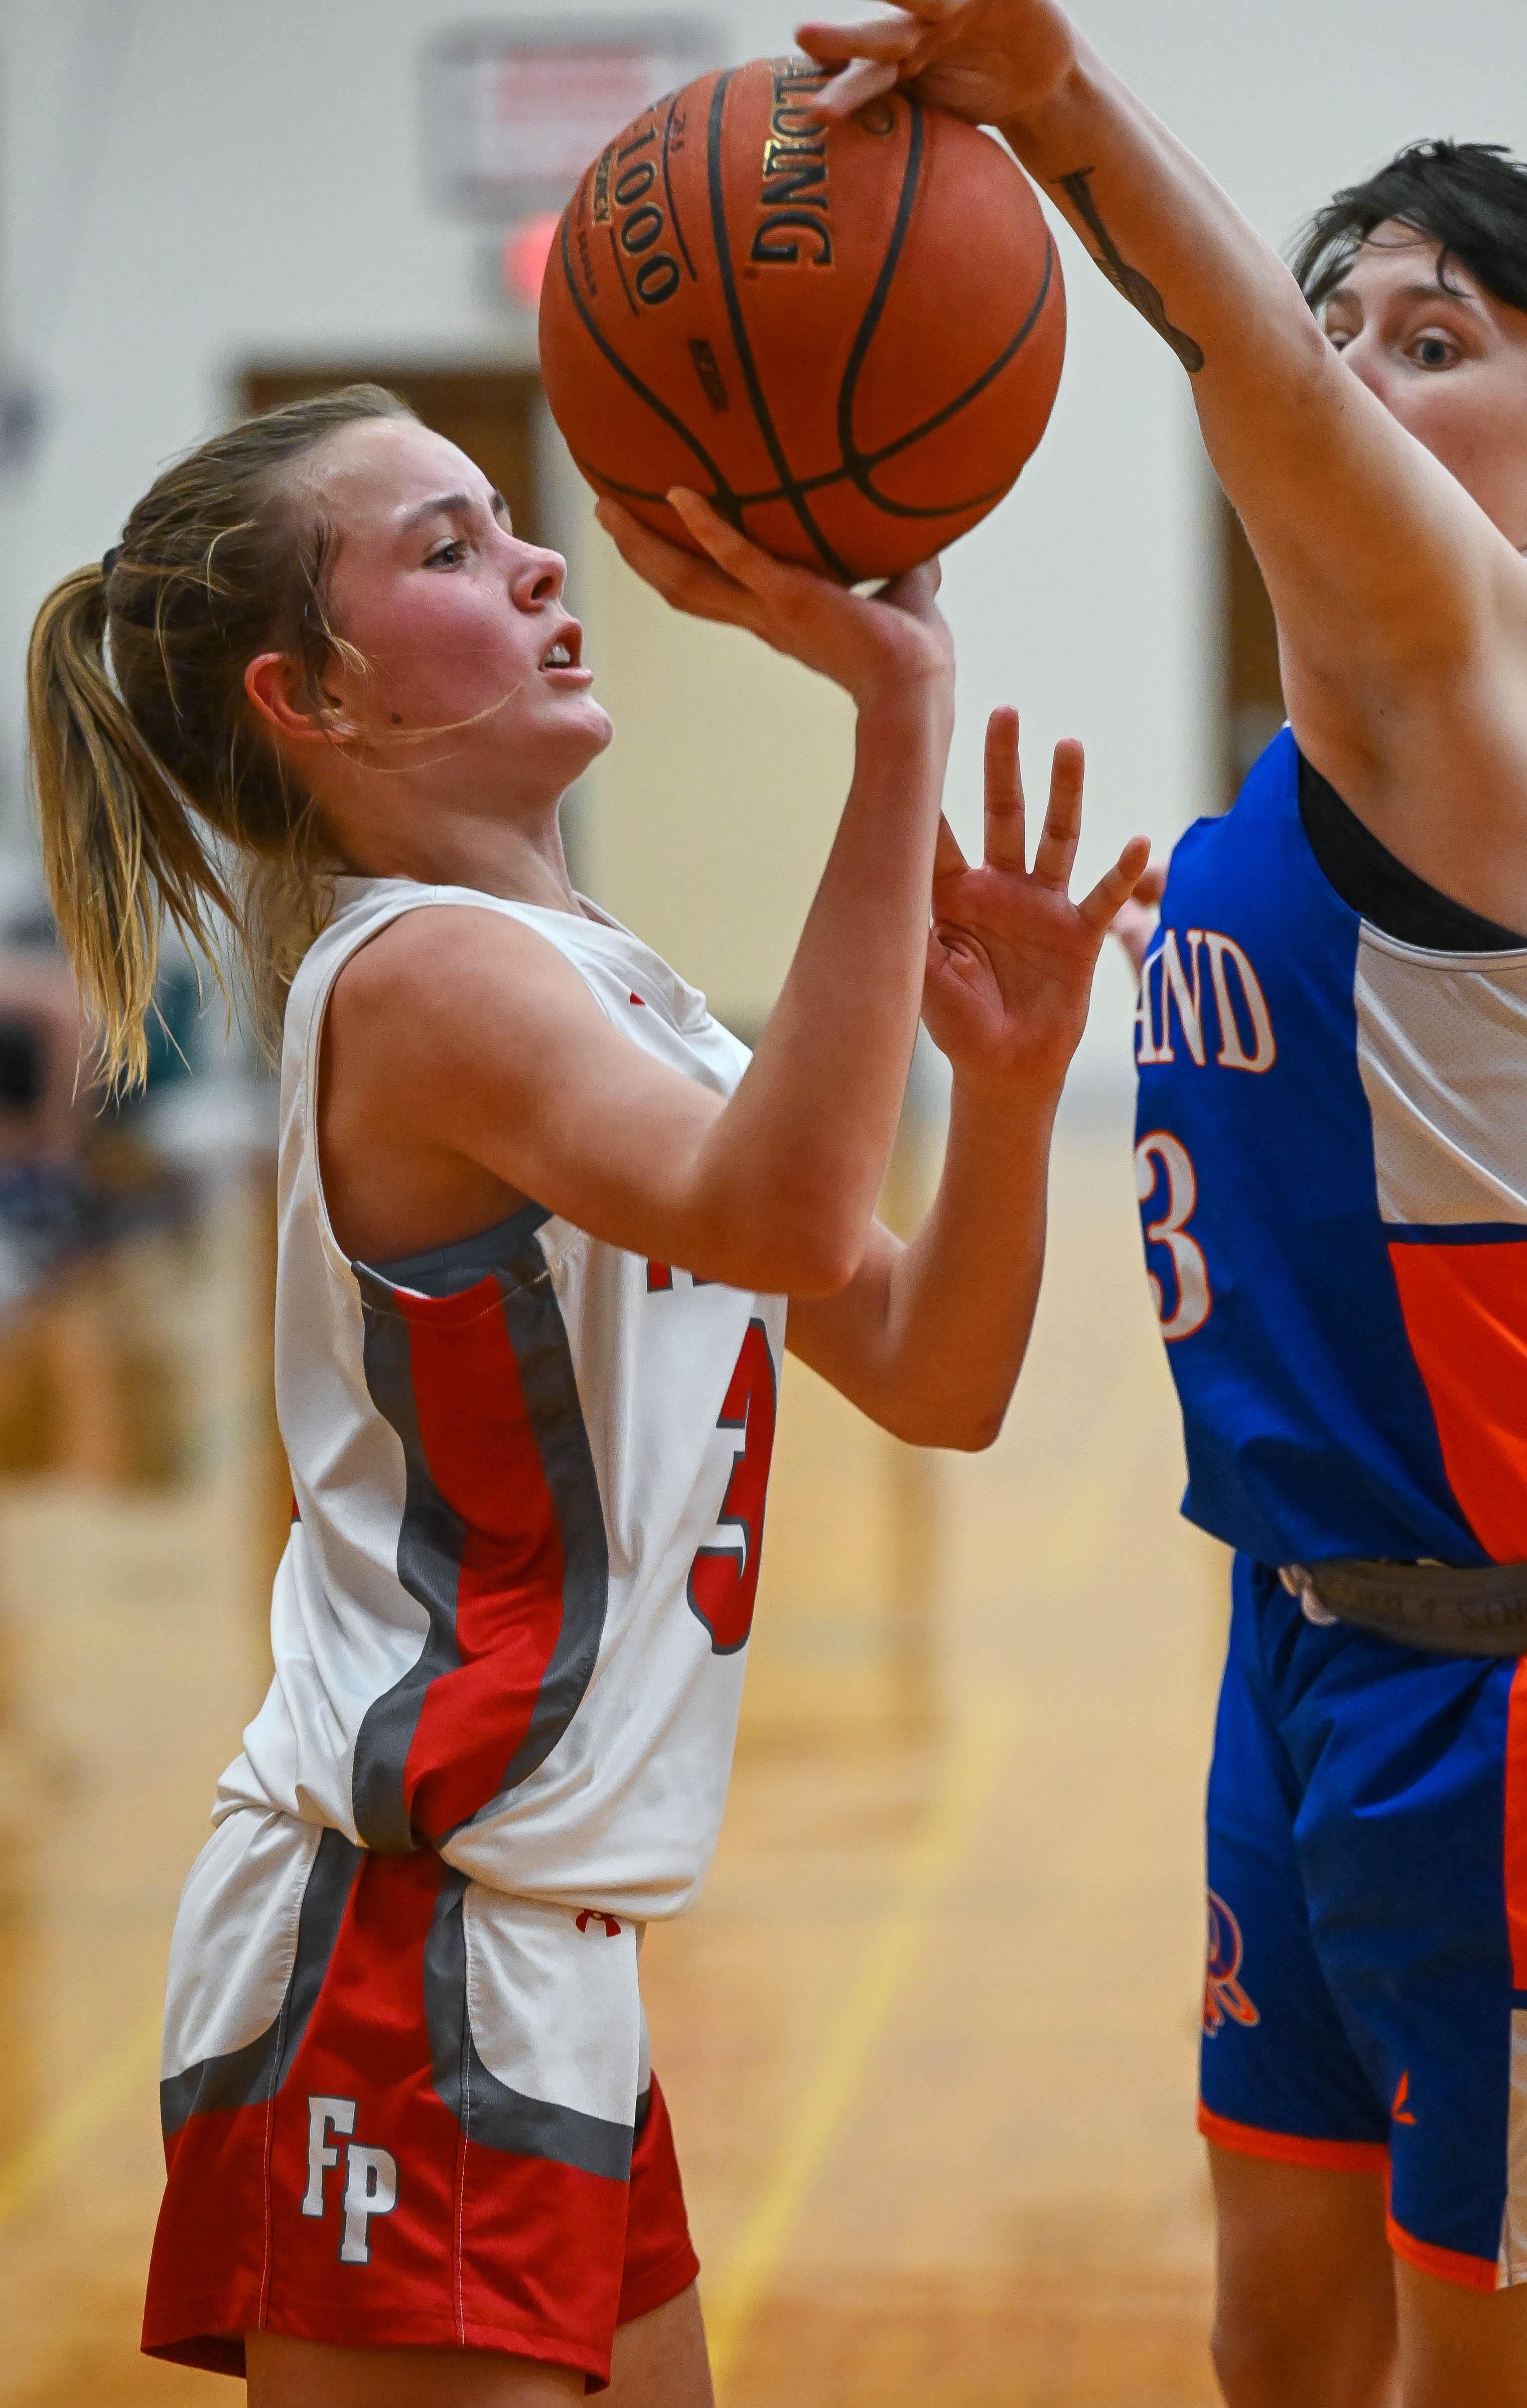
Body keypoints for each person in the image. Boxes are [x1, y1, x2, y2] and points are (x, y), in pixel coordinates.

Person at [794, 11, 1527, 2406]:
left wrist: (1054, 104)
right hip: (1308, 1649)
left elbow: (1243, 374)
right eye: (1340, 317)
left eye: (1430, 338)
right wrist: (1019, 1070)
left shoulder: (1499, 671)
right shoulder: (1320, 764)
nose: (1352, 366)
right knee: (1272, 2340)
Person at [27, 383, 1147, 2405]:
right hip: (398, 1951)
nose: (538, 561)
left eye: (498, 521)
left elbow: (932, 1371)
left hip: (537, 1951)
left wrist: (998, 1093)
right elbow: (784, 1219)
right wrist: (896, 715)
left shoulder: (602, 981)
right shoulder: (422, 981)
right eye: (447, 547)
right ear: (314, 698)